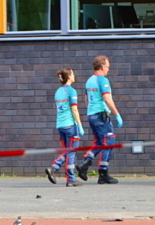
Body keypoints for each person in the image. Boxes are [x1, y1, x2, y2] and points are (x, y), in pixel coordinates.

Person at [76, 55, 122, 184]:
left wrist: (92, 111)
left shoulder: (89, 80)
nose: (108, 69)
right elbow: (107, 99)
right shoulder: (102, 80)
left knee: (100, 142)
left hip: (91, 115)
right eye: (107, 67)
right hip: (101, 115)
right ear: (102, 66)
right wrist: (116, 114)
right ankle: (103, 173)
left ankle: (85, 163)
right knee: (109, 142)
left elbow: (85, 99)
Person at [45, 68, 84, 187]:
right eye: (72, 74)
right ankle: (55, 167)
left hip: (60, 125)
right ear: (68, 77)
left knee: (68, 151)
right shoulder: (71, 91)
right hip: (70, 125)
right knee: (71, 151)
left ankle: (70, 178)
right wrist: (80, 125)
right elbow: (74, 109)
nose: (74, 76)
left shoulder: (58, 92)